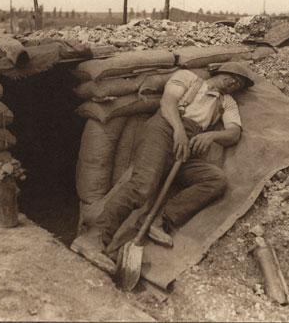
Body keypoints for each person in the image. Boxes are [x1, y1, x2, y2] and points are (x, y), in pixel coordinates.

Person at [71, 62, 255, 275]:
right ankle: (93, 239)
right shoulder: (188, 78)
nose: (233, 82)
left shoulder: (227, 103)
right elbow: (168, 103)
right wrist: (178, 131)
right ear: (219, 72)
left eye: (239, 83)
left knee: (216, 180)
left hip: (187, 147)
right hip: (164, 130)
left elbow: (234, 133)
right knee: (142, 186)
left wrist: (211, 135)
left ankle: (159, 222)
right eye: (231, 76)